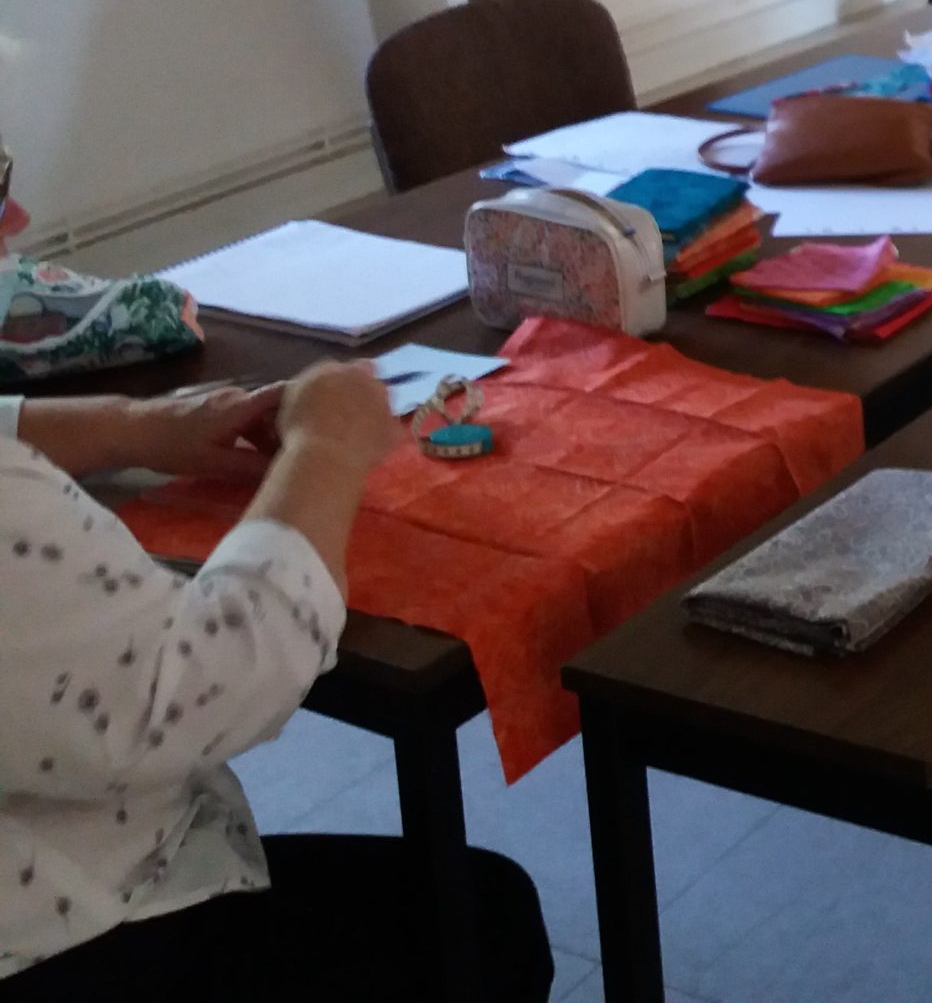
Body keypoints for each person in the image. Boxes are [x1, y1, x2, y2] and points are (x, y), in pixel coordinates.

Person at [0, 143, 553, 997]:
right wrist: (327, 449)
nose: (17, 221)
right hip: (68, 934)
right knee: (486, 923)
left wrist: (129, 427)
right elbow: (205, 686)